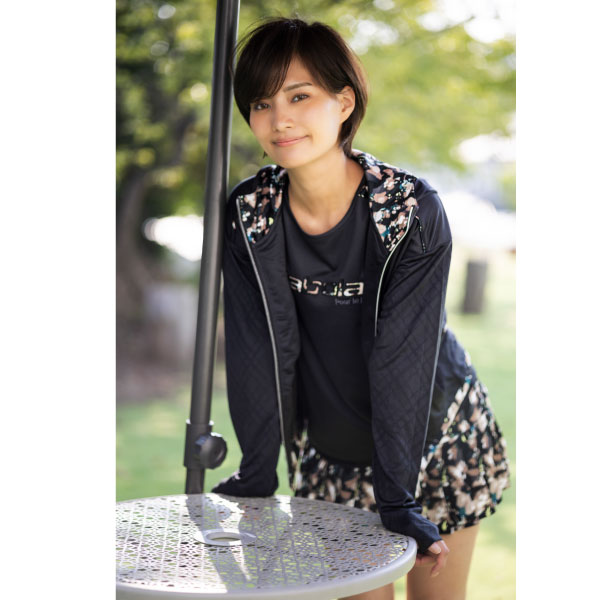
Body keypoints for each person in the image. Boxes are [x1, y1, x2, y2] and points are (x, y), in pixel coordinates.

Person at [212, 16, 510, 600]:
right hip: (330, 453)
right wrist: (257, 471)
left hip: (432, 440)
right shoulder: (251, 213)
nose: (279, 119)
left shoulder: (408, 211)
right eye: (262, 103)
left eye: (300, 96)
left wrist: (397, 499)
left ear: (344, 102)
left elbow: (403, 355)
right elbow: (252, 347)